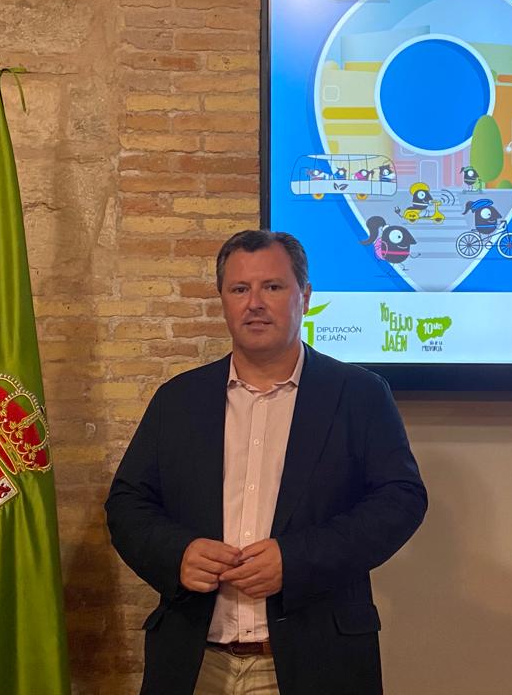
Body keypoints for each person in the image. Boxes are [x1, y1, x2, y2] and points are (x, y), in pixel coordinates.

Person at [106, 230, 427, 695]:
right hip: (195, 661)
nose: (254, 303)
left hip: (317, 662)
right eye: (240, 289)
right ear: (223, 300)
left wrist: (295, 561)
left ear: (305, 297)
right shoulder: (178, 400)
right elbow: (127, 504)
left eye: (272, 287)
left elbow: (401, 501)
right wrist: (176, 554)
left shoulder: (359, 395)